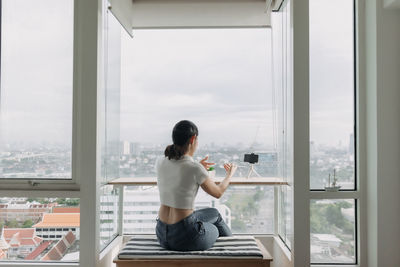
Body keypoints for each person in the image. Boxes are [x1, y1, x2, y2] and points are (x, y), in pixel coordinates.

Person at [155, 120, 237, 251]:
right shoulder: (194, 168)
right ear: (193, 139)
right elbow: (218, 192)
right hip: (185, 236)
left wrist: (198, 166)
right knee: (215, 228)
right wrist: (230, 175)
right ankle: (234, 252)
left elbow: (180, 170)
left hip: (162, 233)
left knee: (214, 213)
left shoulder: (161, 162)